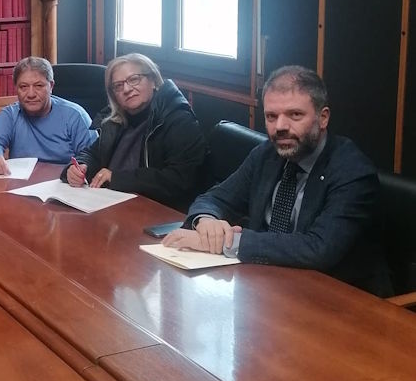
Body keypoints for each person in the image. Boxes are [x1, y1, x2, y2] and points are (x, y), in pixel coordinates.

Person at [163, 65, 391, 296]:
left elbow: (318, 248)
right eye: (271, 116)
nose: (280, 127)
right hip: (265, 284)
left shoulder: (353, 172)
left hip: (337, 297)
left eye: (295, 115)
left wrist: (226, 243)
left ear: (323, 118)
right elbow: (215, 198)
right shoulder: (266, 155)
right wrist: (206, 221)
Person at [62, 53, 207, 211]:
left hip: (160, 211)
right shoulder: (115, 120)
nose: (126, 89)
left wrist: (117, 178)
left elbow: (179, 180)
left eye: (134, 79)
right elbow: (92, 153)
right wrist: (79, 167)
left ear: (153, 80)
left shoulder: (178, 119)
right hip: (109, 204)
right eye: (118, 86)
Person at [0, 57, 97, 174]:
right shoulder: (11, 114)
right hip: (22, 181)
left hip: (64, 181)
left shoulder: (75, 116)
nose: (31, 94)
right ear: (16, 88)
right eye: (23, 87)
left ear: (51, 86)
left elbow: (93, 157)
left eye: (38, 86)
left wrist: (80, 171)